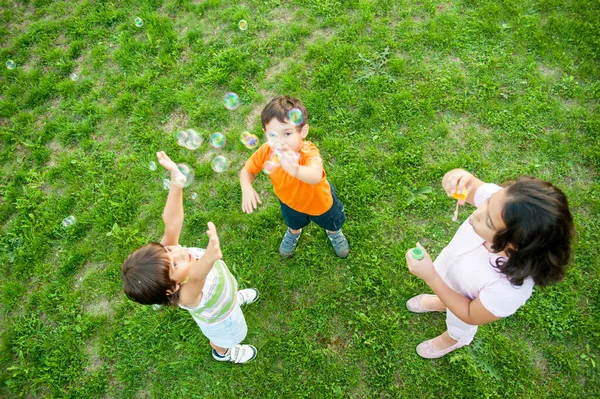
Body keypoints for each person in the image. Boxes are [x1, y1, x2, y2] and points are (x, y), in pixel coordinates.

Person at [404, 169, 574, 359]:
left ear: (514, 245)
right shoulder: (503, 205)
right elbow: (469, 187)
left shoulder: (509, 289)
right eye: (488, 202)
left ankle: (453, 339)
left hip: (465, 308)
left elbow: (470, 314)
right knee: (446, 290)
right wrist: (456, 178)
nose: (477, 213)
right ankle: (442, 301)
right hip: (451, 274)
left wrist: (431, 277)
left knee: (458, 324)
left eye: (489, 222)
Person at [121, 151, 259, 364]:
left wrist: (176, 182)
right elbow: (197, 277)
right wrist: (209, 257)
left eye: (167, 251)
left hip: (224, 297)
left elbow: (172, 222)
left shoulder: (169, 256)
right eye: (175, 264)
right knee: (232, 337)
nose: (176, 251)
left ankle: (234, 300)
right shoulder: (186, 296)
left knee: (229, 299)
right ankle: (223, 352)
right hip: (222, 320)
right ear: (172, 288)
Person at [240, 95, 350, 258]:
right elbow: (246, 171)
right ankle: (294, 232)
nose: (280, 142)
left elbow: (315, 175)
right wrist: (247, 187)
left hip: (321, 203)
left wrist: (296, 169)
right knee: (293, 222)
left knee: (331, 222)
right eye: (273, 135)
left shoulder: (308, 152)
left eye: (287, 133)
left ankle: (334, 234)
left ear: (303, 131)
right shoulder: (266, 151)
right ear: (265, 133)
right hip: (289, 202)